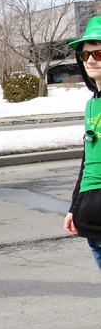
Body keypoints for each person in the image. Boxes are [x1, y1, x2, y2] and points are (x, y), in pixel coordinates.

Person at [63, 15, 101, 271]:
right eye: (85, 55)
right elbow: (87, 162)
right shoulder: (91, 105)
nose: (90, 60)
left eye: (98, 54)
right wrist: (74, 207)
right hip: (92, 215)